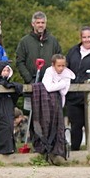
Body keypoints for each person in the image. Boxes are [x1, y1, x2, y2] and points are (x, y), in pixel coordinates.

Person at [15, 11, 62, 143]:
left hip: (49, 86)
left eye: (43, 23)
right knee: (32, 114)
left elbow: (59, 59)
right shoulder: (25, 42)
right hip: (32, 85)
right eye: (38, 23)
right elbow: (20, 61)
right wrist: (29, 79)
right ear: (33, 24)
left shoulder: (53, 41)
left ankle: (49, 143)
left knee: (49, 115)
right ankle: (34, 143)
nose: (40, 25)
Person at [35, 53, 75, 165]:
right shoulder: (49, 71)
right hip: (47, 104)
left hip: (59, 103)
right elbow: (48, 86)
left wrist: (57, 84)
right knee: (46, 125)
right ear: (53, 65)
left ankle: (58, 153)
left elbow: (63, 91)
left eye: (63, 65)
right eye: (59, 66)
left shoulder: (67, 74)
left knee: (58, 128)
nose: (61, 68)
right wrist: (61, 84)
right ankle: (45, 151)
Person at [0, 60, 23, 155]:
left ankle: (9, 149)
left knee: (9, 127)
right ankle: (1, 151)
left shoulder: (10, 84)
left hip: (8, 110)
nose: (6, 73)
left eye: (8, 71)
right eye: (4, 70)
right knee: (2, 128)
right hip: (0, 110)